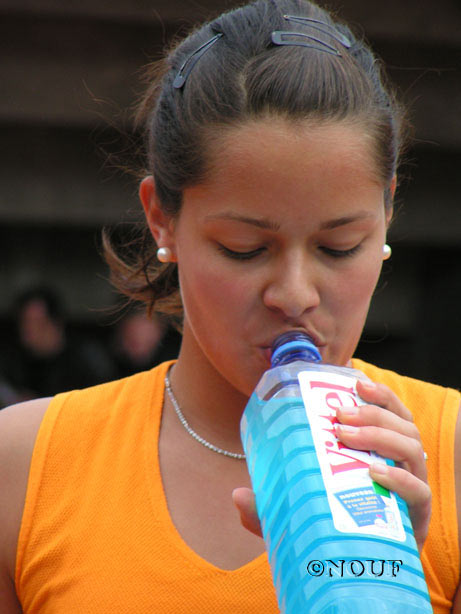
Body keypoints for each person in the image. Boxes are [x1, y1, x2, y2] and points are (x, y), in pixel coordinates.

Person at [0, 1, 459, 612]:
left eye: (339, 246)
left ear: (387, 217)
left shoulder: (449, 456)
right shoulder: (26, 469)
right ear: (161, 218)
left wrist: (384, 584)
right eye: (244, 249)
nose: (295, 294)